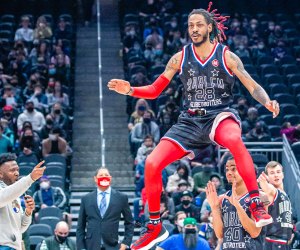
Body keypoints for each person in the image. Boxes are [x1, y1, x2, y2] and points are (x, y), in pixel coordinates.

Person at [108, 3, 279, 249]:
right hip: (189, 120)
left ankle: (255, 204)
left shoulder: (226, 56)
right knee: (152, 163)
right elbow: (155, 90)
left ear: (210, 27)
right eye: (190, 25)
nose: (194, 29)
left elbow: (252, 85)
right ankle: (155, 227)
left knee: (234, 141)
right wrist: (131, 90)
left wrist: (267, 101)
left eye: (199, 25)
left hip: (219, 115)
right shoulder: (179, 57)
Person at [206, 157, 263, 250]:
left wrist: (237, 205)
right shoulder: (223, 198)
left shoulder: (258, 196)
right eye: (227, 169)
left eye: (234, 169)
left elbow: (254, 232)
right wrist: (214, 207)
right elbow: (219, 234)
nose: (229, 173)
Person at [76, 167, 134, 250]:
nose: (104, 177)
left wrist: (126, 243)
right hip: (91, 246)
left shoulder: (121, 198)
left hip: (113, 246)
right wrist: (81, 247)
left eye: (106, 175)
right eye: (101, 175)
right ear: (95, 179)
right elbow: (80, 226)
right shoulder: (86, 199)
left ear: (110, 178)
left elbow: (130, 222)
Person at [0, 153, 45, 249]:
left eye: (17, 170)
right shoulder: (7, 193)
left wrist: (28, 212)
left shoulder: (14, 195)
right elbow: (3, 196)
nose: (17, 173)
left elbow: (20, 228)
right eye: (12, 170)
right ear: (0, 174)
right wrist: (30, 178)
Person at [257, 161, 293, 249]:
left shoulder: (284, 194)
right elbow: (264, 187)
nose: (276, 175)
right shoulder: (272, 191)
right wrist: (261, 181)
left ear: (283, 174)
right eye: (272, 173)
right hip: (273, 242)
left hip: (284, 243)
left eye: (278, 172)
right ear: (267, 177)